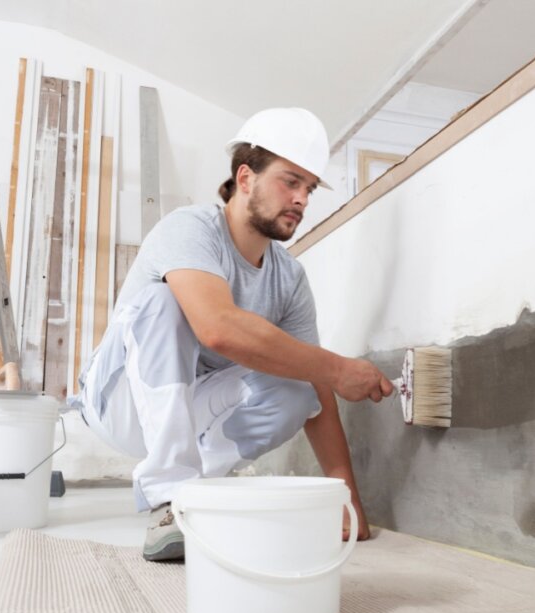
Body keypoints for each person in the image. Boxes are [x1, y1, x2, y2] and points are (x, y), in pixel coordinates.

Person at [69, 107, 393, 561]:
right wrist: (340, 367)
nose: (301, 198)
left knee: (301, 391)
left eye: (309, 188)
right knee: (165, 302)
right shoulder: (190, 229)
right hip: (118, 400)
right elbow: (218, 329)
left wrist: (346, 498)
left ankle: (199, 491)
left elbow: (319, 386)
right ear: (245, 178)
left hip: (191, 412)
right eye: (290, 181)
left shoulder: (289, 279)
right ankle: (169, 500)